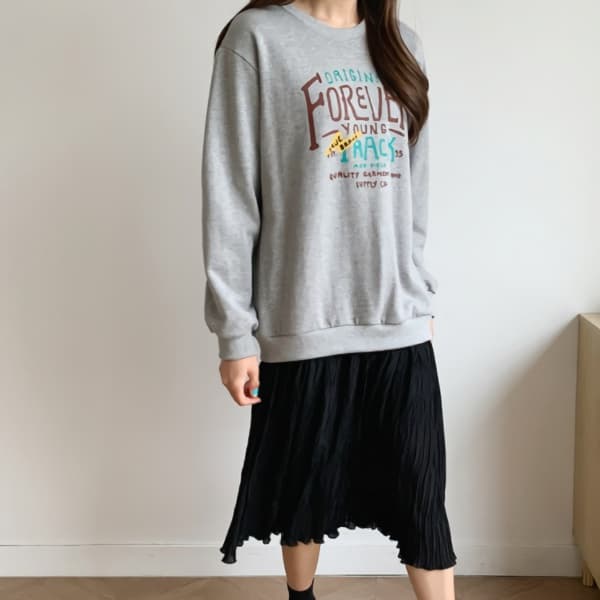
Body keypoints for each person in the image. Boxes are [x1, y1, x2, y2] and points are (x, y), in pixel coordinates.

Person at [201, 1, 457, 598]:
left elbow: (415, 187)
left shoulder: (402, 46)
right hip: (302, 316)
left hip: (397, 318)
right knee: (305, 495)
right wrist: (235, 333)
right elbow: (230, 193)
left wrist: (417, 287)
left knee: (422, 500)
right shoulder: (256, 38)